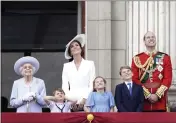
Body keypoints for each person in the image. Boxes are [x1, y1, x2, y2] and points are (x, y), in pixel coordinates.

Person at [131, 31, 172, 112]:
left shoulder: (165, 57)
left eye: (153, 37)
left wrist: (157, 94)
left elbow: (168, 78)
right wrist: (148, 95)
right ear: (144, 41)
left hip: (160, 101)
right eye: (148, 37)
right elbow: (134, 79)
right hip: (142, 101)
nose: (151, 39)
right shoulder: (137, 59)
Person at [62, 34, 96, 111]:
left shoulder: (90, 64)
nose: (75, 47)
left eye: (77, 45)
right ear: (70, 52)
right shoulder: (66, 66)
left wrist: (84, 99)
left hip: (87, 100)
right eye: (72, 46)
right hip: (71, 100)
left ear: (81, 49)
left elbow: (91, 84)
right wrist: (70, 100)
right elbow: (65, 86)